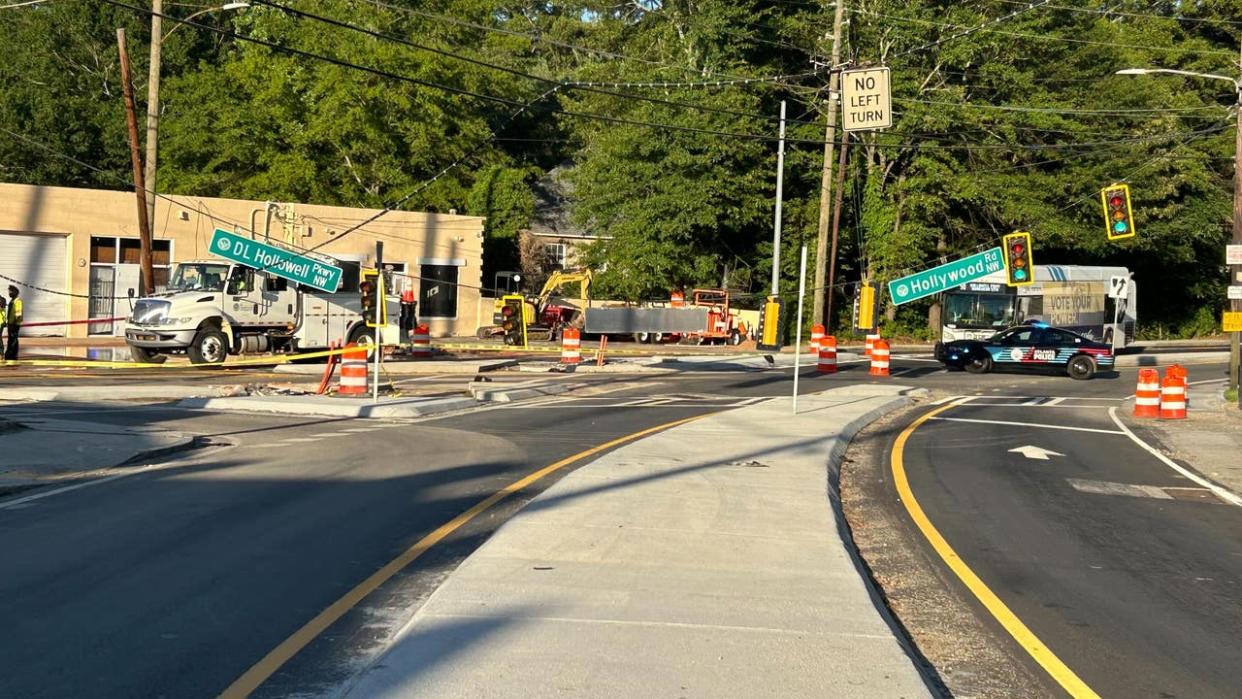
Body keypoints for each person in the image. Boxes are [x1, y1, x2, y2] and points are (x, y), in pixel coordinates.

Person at [4, 285, 22, 361]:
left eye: (10, 292)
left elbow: (18, 313)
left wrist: (14, 323)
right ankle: (11, 354)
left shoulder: (17, 301)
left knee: (13, 340)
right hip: (11, 324)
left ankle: (12, 355)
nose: (9, 293)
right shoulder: (12, 301)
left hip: (14, 324)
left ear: (14, 292)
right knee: (11, 339)